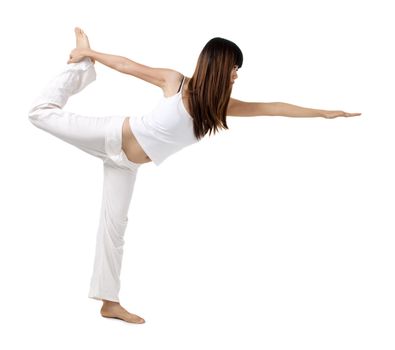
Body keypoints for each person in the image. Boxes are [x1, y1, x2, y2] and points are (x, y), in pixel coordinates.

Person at [28, 27, 361, 324]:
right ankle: (82, 71)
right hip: (112, 135)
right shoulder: (176, 82)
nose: (235, 76)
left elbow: (271, 106)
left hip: (126, 165)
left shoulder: (220, 107)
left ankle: (109, 303)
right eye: (234, 69)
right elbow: (127, 66)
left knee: (114, 228)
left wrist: (323, 114)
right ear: (218, 65)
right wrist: (89, 54)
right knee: (40, 114)